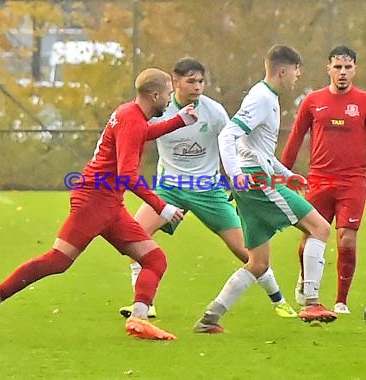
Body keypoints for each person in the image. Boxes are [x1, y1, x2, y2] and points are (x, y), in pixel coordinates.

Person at [0, 68, 198, 342]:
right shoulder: (132, 120)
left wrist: (178, 122)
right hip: (94, 200)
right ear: (155, 94)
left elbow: (142, 133)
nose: (171, 101)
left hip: (109, 202)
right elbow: (127, 175)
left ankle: (138, 319)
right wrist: (162, 207)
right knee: (57, 260)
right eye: (169, 95)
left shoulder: (128, 112)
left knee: (154, 259)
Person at [117, 58, 298, 320]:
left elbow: (232, 146)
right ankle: (144, 303)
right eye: (191, 81)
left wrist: (237, 181)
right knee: (135, 238)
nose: (198, 87)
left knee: (246, 251)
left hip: (208, 190)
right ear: (175, 82)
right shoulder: (160, 110)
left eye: (201, 81)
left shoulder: (213, 111)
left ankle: (279, 300)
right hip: (170, 188)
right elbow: (139, 139)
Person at [193, 45, 337, 334]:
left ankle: (209, 318)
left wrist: (286, 175)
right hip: (256, 182)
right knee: (319, 228)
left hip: (257, 179)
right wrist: (235, 174)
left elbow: (256, 148)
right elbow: (229, 135)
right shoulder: (261, 99)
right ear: (283, 70)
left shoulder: (266, 97)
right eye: (296, 70)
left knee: (258, 263)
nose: (297, 76)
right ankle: (311, 302)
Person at [280, 45, 366, 314]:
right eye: (338, 67)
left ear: (355, 69)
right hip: (319, 180)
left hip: (353, 182)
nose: (342, 73)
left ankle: (341, 301)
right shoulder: (312, 101)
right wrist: (283, 172)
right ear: (328, 68)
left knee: (347, 241)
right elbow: (296, 138)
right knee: (310, 238)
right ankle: (305, 280)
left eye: (348, 67)